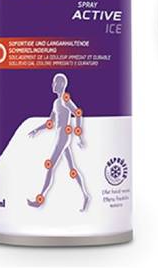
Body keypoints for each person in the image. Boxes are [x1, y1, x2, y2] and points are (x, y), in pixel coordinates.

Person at [27, 73, 90, 212]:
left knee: (50, 166)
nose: (52, 85)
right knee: (72, 169)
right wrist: (37, 130)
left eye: (55, 82)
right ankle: (85, 195)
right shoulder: (56, 103)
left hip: (63, 137)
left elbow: (78, 113)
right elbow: (50, 122)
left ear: (61, 84)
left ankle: (40, 199)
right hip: (61, 136)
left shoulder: (64, 100)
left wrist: (79, 136)